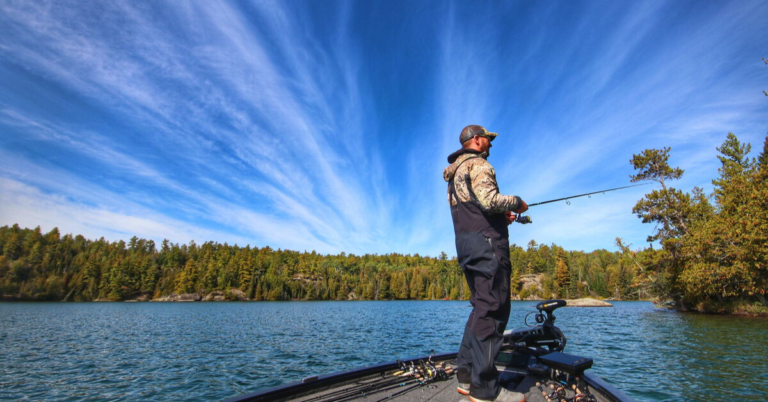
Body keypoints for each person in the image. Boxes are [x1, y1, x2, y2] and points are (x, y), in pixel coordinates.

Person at [443, 125, 529, 402]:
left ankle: (467, 378)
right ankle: (485, 391)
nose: (491, 145)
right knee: (493, 309)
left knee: (481, 307)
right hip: (487, 244)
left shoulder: (454, 172)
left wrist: (500, 217)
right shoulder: (479, 165)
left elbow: (475, 207)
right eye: (488, 140)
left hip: (466, 244)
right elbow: (490, 200)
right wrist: (516, 203)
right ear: (476, 140)